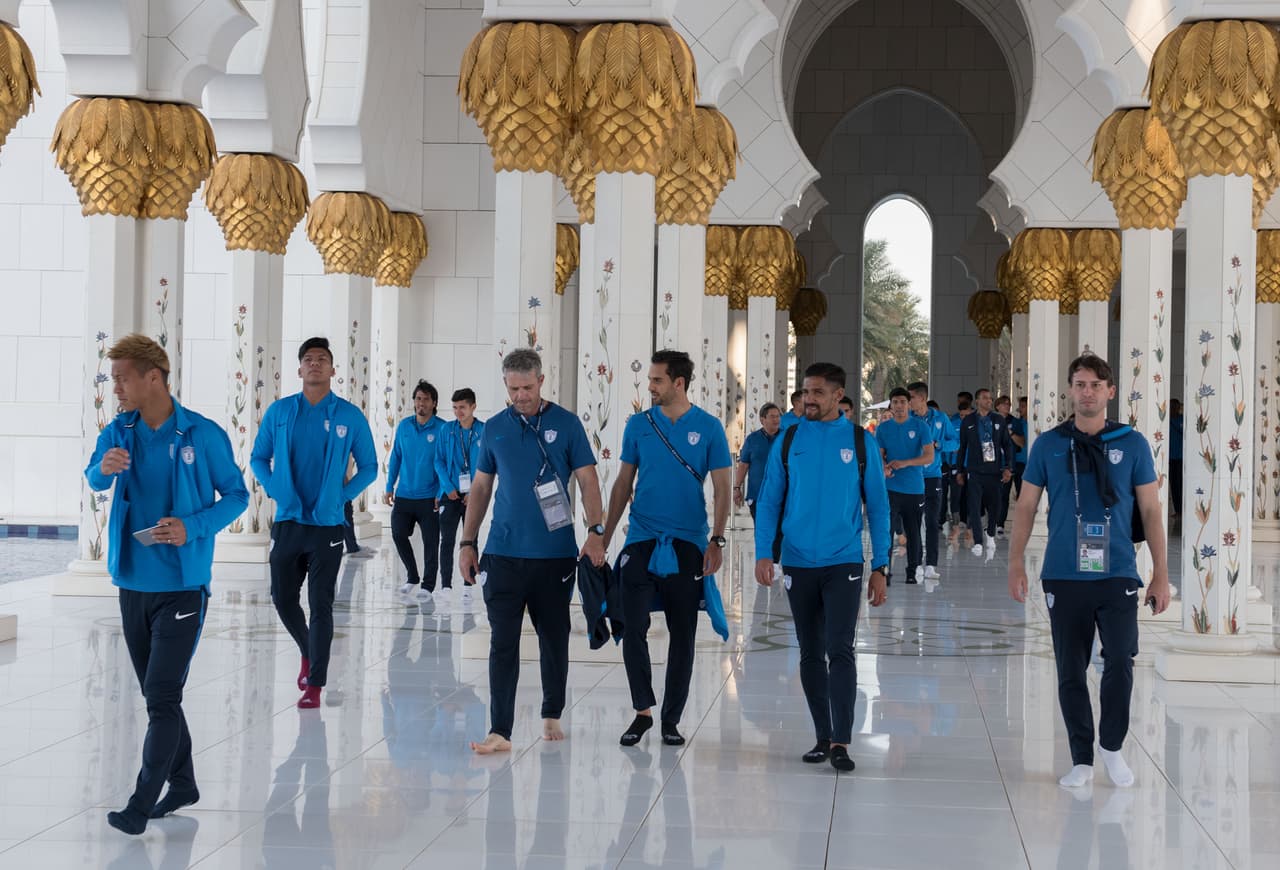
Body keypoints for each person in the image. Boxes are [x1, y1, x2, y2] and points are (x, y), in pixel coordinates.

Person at [86, 334, 248, 835]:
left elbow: (237, 496)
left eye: (121, 377)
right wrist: (101, 469)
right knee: (162, 696)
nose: (115, 387)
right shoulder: (119, 430)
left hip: (182, 585)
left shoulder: (202, 433)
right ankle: (184, 782)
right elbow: (93, 477)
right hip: (133, 582)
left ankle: (140, 804)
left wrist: (191, 526)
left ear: (152, 377)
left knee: (159, 695)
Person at [1009, 353, 1171, 789]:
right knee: (1069, 668)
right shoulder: (1048, 444)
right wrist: (1014, 564)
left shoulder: (1132, 443)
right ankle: (1081, 756)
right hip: (1063, 572)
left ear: (1110, 391)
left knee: (1120, 658)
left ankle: (1112, 748)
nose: (1087, 392)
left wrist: (1160, 573)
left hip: (1117, 569)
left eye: (1096, 385)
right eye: (1080, 384)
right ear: (1070, 390)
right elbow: (1025, 506)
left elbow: (1151, 509)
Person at [457, 349, 606, 754]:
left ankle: (551, 710)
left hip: (555, 555)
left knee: (553, 638)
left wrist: (596, 532)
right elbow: (482, 488)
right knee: (502, 642)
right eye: (513, 388)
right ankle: (500, 729)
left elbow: (589, 481)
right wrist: (468, 543)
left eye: (527, 387)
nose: (520, 395)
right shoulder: (495, 430)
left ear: (542, 380)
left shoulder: (567, 424)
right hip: (502, 553)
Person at [753, 362, 891, 773]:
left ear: (837, 396)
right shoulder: (790, 438)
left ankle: (842, 740)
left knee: (840, 648)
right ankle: (821, 735)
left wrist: (881, 565)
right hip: (797, 560)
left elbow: (879, 509)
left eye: (815, 393)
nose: (807, 399)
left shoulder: (858, 443)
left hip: (844, 559)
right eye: (804, 392)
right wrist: (765, 552)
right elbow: (770, 499)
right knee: (810, 652)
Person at [605, 350, 732, 747]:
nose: (651, 387)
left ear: (678, 383)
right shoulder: (638, 426)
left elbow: (724, 487)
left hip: (688, 543)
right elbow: (623, 483)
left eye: (657, 380)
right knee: (630, 624)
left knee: (683, 633)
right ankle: (642, 710)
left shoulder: (709, 428)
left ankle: (671, 720)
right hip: (641, 538)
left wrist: (717, 539)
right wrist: (603, 537)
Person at [252, 337, 377, 708]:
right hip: (289, 520)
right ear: (299, 369)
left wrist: (341, 496)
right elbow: (259, 458)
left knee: (321, 604)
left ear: (333, 369)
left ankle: (315, 684)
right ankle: (309, 650)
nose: (315, 364)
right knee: (282, 597)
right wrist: (274, 486)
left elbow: (369, 467)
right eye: (309, 359)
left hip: (327, 526)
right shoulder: (280, 412)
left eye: (323, 359)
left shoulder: (349, 416)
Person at [384, 380, 446, 602]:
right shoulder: (403, 426)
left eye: (426, 399)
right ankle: (412, 576)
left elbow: (446, 463)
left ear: (434, 403)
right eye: (418, 398)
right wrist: (389, 486)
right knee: (398, 533)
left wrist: (441, 493)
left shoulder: (442, 429)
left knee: (431, 542)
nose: (421, 403)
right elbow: (396, 458)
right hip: (404, 494)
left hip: (430, 497)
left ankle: (428, 585)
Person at [876, 387, 934, 585]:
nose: (899, 406)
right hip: (890, 488)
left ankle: (913, 570)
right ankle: (886, 571)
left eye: (902, 402)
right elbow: (879, 455)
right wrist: (884, 467)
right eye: (895, 402)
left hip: (914, 488)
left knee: (913, 531)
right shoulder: (883, 428)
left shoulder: (920, 427)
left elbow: (929, 456)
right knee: (888, 531)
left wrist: (906, 462)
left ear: (909, 404)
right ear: (891, 405)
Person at [435, 387, 484, 605]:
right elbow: (438, 461)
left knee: (471, 539)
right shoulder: (446, 430)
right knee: (446, 540)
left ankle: (468, 584)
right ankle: (445, 584)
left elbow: (487, 465)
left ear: (473, 406)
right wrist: (447, 487)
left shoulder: (483, 431)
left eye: (462, 407)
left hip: (474, 493)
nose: (458, 412)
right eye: (455, 408)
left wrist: (473, 491)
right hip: (450, 493)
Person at [908, 381, 956, 585]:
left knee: (932, 522)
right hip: (911, 477)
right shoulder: (906, 420)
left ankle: (931, 565)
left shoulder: (940, 418)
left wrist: (939, 444)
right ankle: (915, 563)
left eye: (910, 398)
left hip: (933, 476)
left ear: (922, 398)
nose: (908, 402)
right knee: (913, 522)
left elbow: (955, 442)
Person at [955, 388, 1013, 556]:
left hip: (994, 471)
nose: (989, 401)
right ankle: (978, 541)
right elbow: (962, 447)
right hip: (974, 471)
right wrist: (960, 470)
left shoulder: (998, 420)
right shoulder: (969, 421)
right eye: (985, 398)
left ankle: (991, 534)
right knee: (973, 506)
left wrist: (1008, 467)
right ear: (977, 401)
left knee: (995, 506)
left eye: (990, 398)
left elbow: (1007, 445)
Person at [735, 402, 782, 520]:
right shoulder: (752, 439)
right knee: (761, 532)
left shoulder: (785, 438)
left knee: (779, 533)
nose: (776, 419)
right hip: (757, 495)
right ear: (762, 420)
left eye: (778, 416)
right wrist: (737, 488)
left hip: (781, 495)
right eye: (772, 416)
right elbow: (743, 465)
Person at [946, 392, 973, 525]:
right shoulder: (953, 423)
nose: (964, 418)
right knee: (956, 493)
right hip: (956, 464)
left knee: (970, 493)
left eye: (966, 415)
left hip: (972, 464)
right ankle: (956, 519)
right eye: (962, 415)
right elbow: (948, 442)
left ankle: (967, 518)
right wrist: (949, 461)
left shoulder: (977, 424)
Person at [1169, 398, 1183, 522]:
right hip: (1170, 458)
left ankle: (1182, 510)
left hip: (1181, 458)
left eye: (1174, 407)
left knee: (1181, 485)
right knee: (1174, 485)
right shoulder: (1165, 421)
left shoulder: (1182, 419)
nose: (1172, 409)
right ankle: (1178, 510)